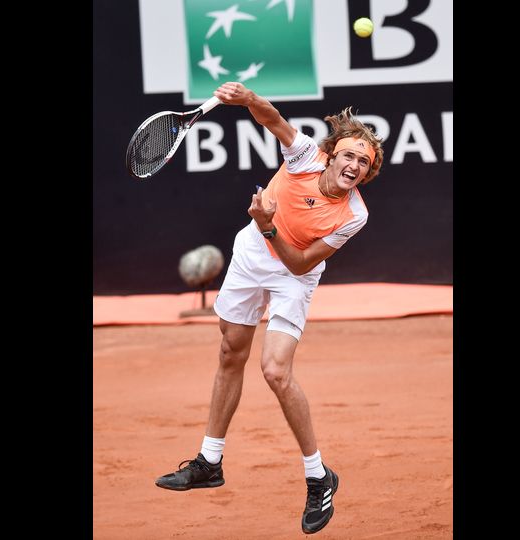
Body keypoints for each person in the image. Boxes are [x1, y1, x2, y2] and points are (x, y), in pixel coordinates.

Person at [154, 81, 384, 535]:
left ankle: (319, 476)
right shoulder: (303, 156)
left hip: (292, 272)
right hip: (251, 255)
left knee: (276, 371)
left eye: (364, 162)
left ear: (367, 172)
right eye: (350, 155)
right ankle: (209, 461)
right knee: (230, 352)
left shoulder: (354, 215)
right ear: (332, 153)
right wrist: (247, 98)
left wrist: (267, 223)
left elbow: (300, 262)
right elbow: (272, 118)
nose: (354, 165)